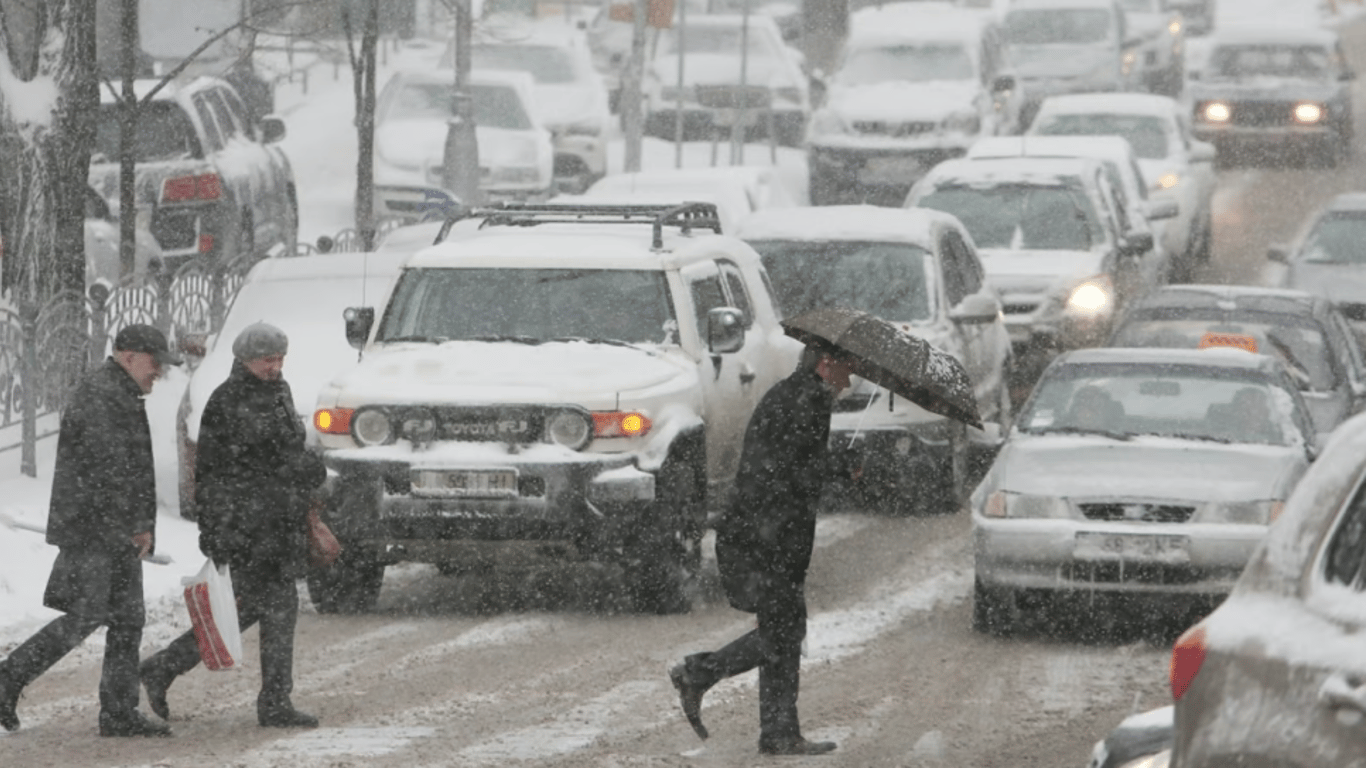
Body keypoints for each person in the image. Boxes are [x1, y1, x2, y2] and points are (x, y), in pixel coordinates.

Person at [667, 344, 855, 756]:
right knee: (784, 631)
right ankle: (700, 673)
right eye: (846, 368)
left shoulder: (800, 397)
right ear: (825, 364)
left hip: (772, 534)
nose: (850, 379)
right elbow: (787, 472)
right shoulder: (801, 402)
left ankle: (778, 732)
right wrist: (837, 464)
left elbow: (792, 468)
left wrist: (832, 464)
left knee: (784, 628)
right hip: (766, 537)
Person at [138, 323, 325, 728]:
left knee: (257, 609)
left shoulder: (279, 391)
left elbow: (283, 450)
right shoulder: (229, 401)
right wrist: (219, 531)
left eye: (279, 359)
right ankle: (272, 702)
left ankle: (167, 667)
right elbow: (217, 474)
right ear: (244, 360)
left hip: (277, 522)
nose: (275, 367)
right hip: (250, 527)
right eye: (267, 360)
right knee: (270, 608)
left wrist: (304, 466)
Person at [0, 324, 181, 737]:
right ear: (130, 356)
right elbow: (108, 471)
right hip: (94, 530)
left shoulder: (120, 392)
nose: (159, 372)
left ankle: (118, 712)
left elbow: (128, 470)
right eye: (155, 363)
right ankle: (8, 676)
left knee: (128, 619)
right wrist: (133, 525)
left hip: (110, 529)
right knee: (88, 615)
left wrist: (137, 525)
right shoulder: (102, 395)